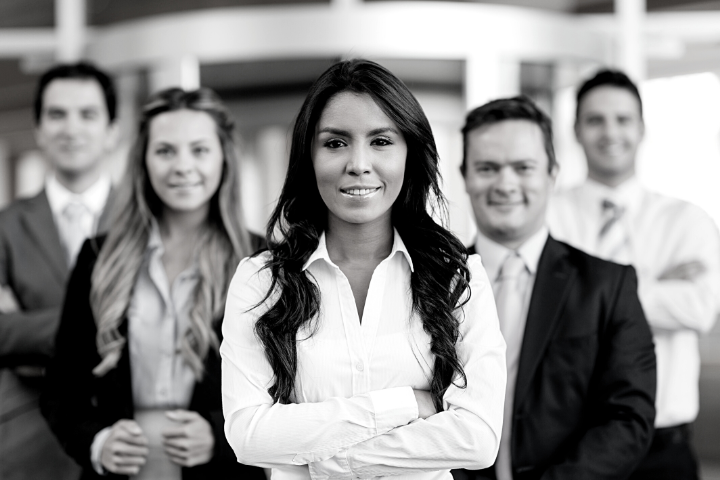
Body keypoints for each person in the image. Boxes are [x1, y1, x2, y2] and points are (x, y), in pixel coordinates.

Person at [220, 59, 506, 480]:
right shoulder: (262, 280)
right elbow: (249, 436)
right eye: (335, 143)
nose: (358, 163)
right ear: (309, 156)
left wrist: (330, 459)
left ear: (410, 151)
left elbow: (478, 439)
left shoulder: (458, 277)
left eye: (381, 141)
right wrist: (407, 404)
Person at [40, 87, 265, 480]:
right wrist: (97, 442)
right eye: (165, 151)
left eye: (199, 150)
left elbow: (290, 392)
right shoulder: (98, 256)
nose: (181, 166)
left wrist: (219, 434)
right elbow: (61, 389)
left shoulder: (263, 263)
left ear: (224, 159)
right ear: (143, 161)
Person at [457, 95, 656, 480]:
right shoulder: (429, 284)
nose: (505, 183)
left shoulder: (608, 286)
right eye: (487, 167)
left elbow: (628, 418)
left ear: (552, 174)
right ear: (465, 175)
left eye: (523, 167)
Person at [547, 69, 720, 480]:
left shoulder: (687, 220)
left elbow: (699, 309)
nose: (610, 132)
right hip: (569, 442)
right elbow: (546, 312)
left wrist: (588, 293)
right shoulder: (547, 216)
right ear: (575, 130)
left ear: (642, 128)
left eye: (622, 119)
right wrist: (655, 284)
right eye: (595, 120)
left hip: (664, 448)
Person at [0, 62, 119, 480]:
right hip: (26, 438)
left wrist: (29, 325)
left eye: (87, 114)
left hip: (126, 434)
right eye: (56, 115)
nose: (71, 129)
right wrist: (96, 327)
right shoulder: (6, 225)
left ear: (111, 130)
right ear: (38, 129)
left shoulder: (149, 221)